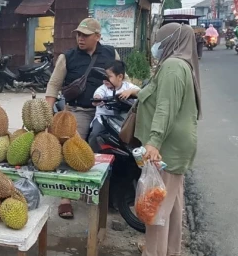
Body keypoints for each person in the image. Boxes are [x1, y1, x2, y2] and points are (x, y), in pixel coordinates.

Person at [45, 17, 123, 219]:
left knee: (106, 146)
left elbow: (123, 78)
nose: (80, 38)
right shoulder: (68, 57)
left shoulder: (110, 53)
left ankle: (102, 191)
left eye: (85, 35)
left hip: (106, 110)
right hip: (78, 110)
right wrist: (47, 113)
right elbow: (54, 85)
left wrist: (129, 93)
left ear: (97, 36)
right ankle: (65, 198)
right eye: (78, 34)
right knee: (70, 147)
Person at [135, 23, 200, 256]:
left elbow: (166, 108)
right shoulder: (182, 64)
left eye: (159, 40)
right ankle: (171, 251)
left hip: (167, 147)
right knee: (172, 207)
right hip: (176, 146)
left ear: (171, 41)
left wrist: (153, 142)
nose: (156, 46)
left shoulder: (173, 66)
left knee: (156, 210)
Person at [88, 60, 140, 152]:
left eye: (109, 77)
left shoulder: (127, 86)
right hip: (102, 119)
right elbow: (98, 95)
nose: (105, 80)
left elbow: (140, 91)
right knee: (94, 134)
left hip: (123, 119)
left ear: (120, 77)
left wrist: (130, 92)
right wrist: (97, 99)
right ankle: (93, 155)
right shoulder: (103, 89)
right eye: (103, 77)